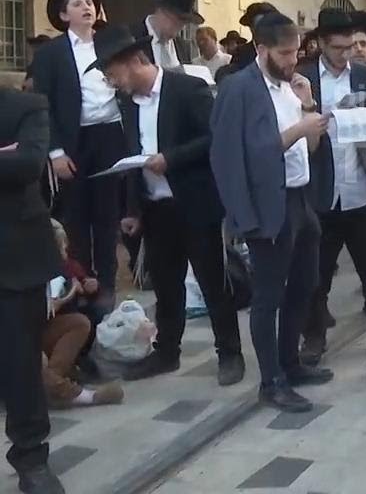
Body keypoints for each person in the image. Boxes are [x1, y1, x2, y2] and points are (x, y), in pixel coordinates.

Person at [85, 25, 246, 386]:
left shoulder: (187, 89)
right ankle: (167, 352)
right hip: (156, 208)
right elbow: (132, 157)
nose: (114, 85)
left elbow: (213, 138)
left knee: (212, 282)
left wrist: (170, 158)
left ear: (136, 61)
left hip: (195, 203)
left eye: (113, 76)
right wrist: (131, 209)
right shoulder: (126, 104)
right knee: (166, 286)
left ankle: (230, 353)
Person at [211, 11, 332, 413]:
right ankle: (270, 381)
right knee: (268, 296)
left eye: (296, 51)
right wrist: (241, 218)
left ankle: (290, 362)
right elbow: (234, 156)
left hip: (299, 199)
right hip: (266, 207)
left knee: (304, 285)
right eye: (284, 53)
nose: (292, 59)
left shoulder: (291, 88)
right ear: (261, 49)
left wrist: (308, 108)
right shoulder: (239, 89)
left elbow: (308, 150)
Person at [297, 9, 366, 367]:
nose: (346, 53)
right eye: (338, 47)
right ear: (321, 43)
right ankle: (313, 336)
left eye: (351, 46)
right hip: (320, 189)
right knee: (316, 272)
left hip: (358, 188)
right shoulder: (304, 78)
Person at [29, 0, 124, 307]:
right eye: (77, 3)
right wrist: (55, 152)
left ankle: (109, 283)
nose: (86, 7)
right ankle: (83, 281)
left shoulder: (112, 44)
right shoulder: (52, 53)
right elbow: (44, 106)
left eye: (89, 2)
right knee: (77, 214)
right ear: (63, 14)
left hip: (111, 134)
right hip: (74, 140)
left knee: (108, 214)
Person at [0, 88, 67, 494]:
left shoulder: (26, 105)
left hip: (14, 260)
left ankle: (30, 458)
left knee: (19, 363)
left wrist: (13, 157)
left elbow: (26, 164)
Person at [44, 219, 126, 408]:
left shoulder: (63, 266)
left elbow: (79, 281)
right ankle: (78, 395)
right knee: (31, 356)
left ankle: (51, 383)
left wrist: (87, 285)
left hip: (39, 326)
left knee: (79, 322)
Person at [134, 0, 200, 70]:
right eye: (177, 20)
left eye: (184, 23)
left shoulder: (182, 46)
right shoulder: (133, 38)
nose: (180, 27)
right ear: (161, 11)